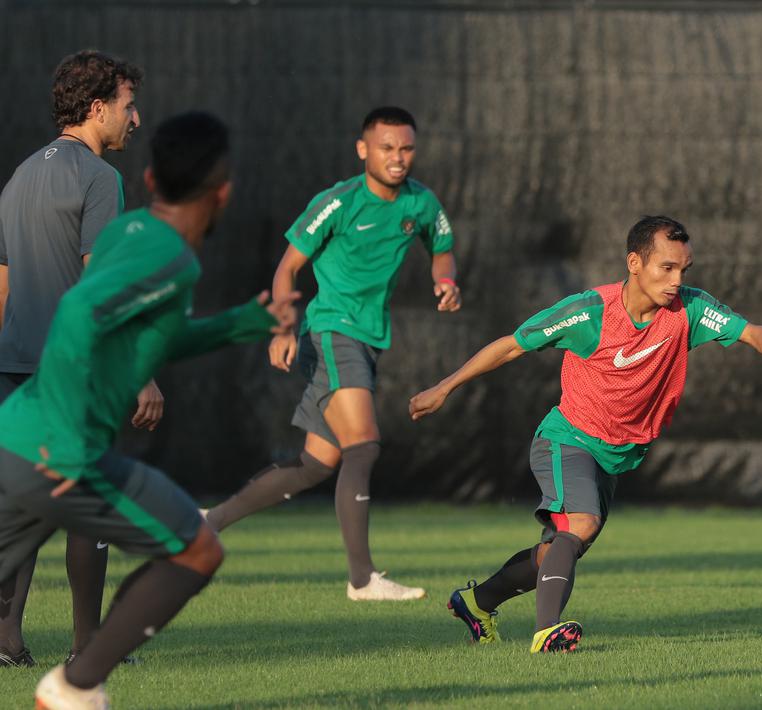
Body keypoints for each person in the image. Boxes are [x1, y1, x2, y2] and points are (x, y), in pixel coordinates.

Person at [0, 111, 297, 709]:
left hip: (19, 437)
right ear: (224, 191)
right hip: (57, 447)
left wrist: (243, 322)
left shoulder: (129, 234)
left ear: (150, 178)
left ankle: (75, 682)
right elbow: (83, 314)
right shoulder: (170, 256)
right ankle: (76, 684)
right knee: (198, 547)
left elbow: (152, 335)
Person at [410, 215, 762, 653]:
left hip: (616, 458)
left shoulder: (688, 309)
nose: (676, 280)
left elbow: (746, 329)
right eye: (665, 267)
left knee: (560, 550)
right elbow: (513, 344)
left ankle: (476, 602)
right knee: (582, 524)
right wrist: (445, 388)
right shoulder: (591, 312)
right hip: (567, 439)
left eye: (683, 270)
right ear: (635, 262)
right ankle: (546, 634)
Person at [204, 106, 461, 601]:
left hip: (367, 338)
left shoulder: (422, 203)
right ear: (363, 149)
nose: (398, 158)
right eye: (387, 147)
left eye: (406, 148)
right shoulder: (338, 202)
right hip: (330, 330)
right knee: (363, 444)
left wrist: (444, 279)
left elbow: (442, 245)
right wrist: (281, 328)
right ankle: (362, 579)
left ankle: (210, 521)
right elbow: (287, 269)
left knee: (316, 465)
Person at [0, 48, 164, 668]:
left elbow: (3, 289)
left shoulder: (18, 176)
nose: (136, 119)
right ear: (97, 108)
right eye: (128, 105)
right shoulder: (99, 178)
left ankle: (7, 642)